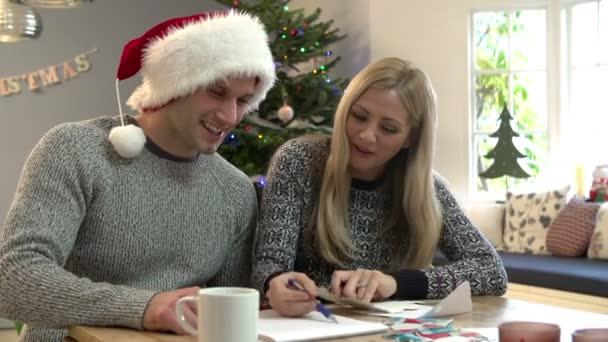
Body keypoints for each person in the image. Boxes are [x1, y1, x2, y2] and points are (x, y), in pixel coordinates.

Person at [0, 11, 275, 341]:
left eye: (243, 100)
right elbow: (13, 278)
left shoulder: (235, 190)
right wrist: (144, 307)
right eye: (217, 92)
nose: (230, 116)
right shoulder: (74, 149)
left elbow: (228, 312)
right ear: (174, 82)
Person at [252, 57, 508, 317]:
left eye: (388, 128)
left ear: (410, 138)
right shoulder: (298, 161)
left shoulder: (427, 189)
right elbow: (269, 263)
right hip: (310, 326)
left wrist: (395, 283)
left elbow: (491, 270)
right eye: (359, 116)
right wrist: (275, 282)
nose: (366, 135)